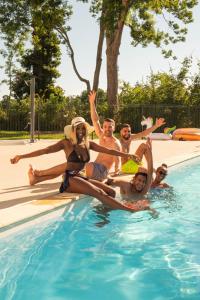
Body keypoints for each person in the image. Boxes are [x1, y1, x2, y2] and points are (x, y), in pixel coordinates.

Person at [11, 117, 147, 212]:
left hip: (82, 178)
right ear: (73, 129)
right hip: (70, 180)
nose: (81, 130)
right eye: (78, 128)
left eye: (83, 128)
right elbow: (45, 151)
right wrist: (21, 156)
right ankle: (128, 210)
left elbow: (109, 150)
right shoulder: (66, 143)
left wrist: (128, 155)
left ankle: (103, 213)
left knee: (110, 192)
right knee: (99, 192)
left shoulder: (88, 143)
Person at [86, 90, 122, 180]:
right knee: (73, 169)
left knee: (88, 165)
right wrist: (92, 103)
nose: (107, 129)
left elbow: (117, 159)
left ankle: (85, 178)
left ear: (114, 128)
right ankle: (83, 177)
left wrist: (116, 172)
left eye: (110, 127)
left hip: (103, 171)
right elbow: (95, 120)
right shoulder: (101, 135)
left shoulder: (115, 143)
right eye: (105, 126)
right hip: (94, 167)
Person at [105, 139, 153, 204]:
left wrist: (149, 149)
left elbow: (150, 172)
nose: (141, 184)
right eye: (139, 180)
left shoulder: (144, 190)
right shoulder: (126, 185)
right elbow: (110, 182)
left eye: (143, 182)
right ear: (134, 180)